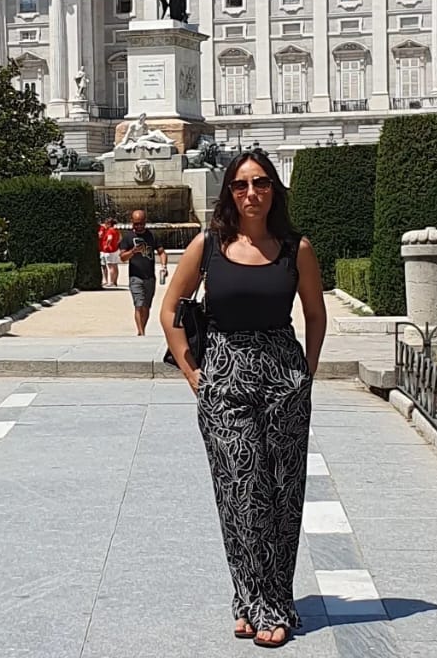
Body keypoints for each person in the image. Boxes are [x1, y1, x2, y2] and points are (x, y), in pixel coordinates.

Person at [160, 148, 327, 649]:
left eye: (260, 183)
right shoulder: (207, 245)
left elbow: (315, 315)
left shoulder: (296, 248)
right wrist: (193, 374)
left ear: (274, 188)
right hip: (225, 376)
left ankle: (272, 598)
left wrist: (307, 373)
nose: (251, 193)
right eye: (240, 185)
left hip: (282, 375)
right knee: (239, 494)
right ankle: (255, 600)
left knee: (282, 494)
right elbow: (170, 310)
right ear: (229, 193)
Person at [119, 209, 167, 335]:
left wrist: (164, 266)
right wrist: (133, 252)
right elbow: (123, 257)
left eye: (141, 223)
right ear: (131, 222)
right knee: (138, 304)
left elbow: (161, 252)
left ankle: (142, 329)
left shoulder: (152, 236)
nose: (139, 226)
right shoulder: (127, 237)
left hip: (150, 277)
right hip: (135, 276)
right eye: (136, 224)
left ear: (145, 222)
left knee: (146, 306)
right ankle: (141, 332)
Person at [98, 217, 121, 288]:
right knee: (115, 266)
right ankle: (115, 281)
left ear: (109, 224)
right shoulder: (116, 230)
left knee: (110, 266)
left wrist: (107, 245)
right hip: (115, 250)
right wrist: (116, 244)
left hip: (109, 250)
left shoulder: (110, 230)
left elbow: (109, 238)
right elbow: (120, 238)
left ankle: (111, 282)